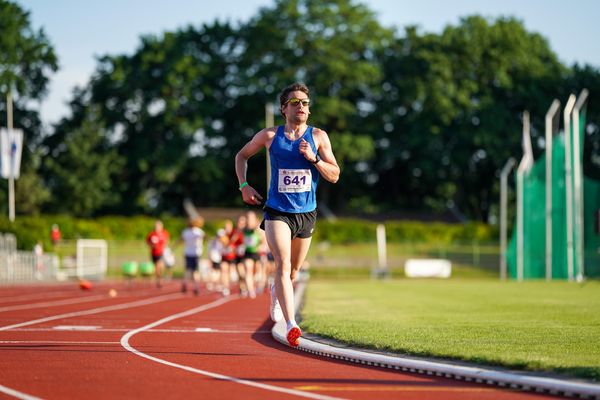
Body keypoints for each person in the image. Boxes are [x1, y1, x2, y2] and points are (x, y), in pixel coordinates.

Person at [235, 82, 340, 347]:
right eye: (296, 103)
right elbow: (241, 156)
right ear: (284, 108)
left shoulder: (318, 137)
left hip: (306, 213)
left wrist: (314, 159)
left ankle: (275, 292)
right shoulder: (270, 136)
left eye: (305, 103)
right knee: (282, 264)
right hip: (276, 211)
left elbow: (335, 175)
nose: (302, 107)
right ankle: (292, 324)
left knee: (293, 271)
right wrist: (244, 185)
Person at [177, 217, 205, 295]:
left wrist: (174, 247)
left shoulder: (185, 232)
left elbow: (180, 240)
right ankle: (196, 287)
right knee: (195, 270)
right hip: (196, 253)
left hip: (188, 253)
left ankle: (185, 283)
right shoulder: (199, 232)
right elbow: (205, 237)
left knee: (188, 270)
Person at [145, 220, 170, 288]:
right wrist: (152, 246)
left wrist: (164, 246)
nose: (157, 227)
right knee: (156, 268)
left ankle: (160, 280)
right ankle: (159, 279)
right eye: (156, 226)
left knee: (159, 266)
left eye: (158, 226)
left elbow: (167, 241)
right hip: (154, 253)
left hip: (161, 252)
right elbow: (147, 241)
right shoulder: (152, 234)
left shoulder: (164, 233)